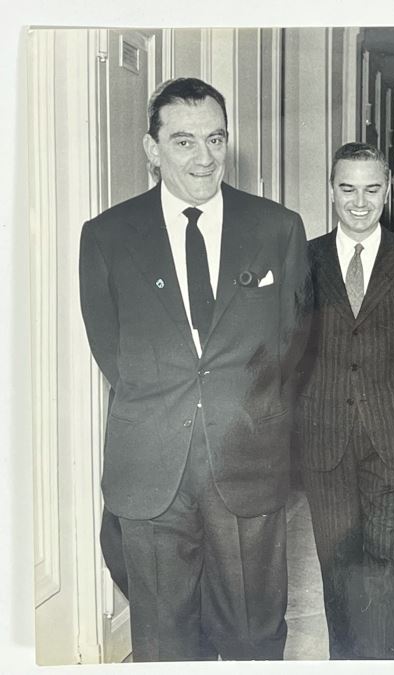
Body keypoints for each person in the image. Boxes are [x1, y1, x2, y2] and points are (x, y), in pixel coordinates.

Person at [79, 77, 311, 661]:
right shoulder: (107, 236)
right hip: (151, 466)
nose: (204, 157)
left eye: (215, 138)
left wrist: (244, 409)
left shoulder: (277, 229)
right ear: (151, 149)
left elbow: (294, 344)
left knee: (254, 635)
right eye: (183, 142)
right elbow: (113, 351)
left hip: (247, 456)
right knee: (163, 642)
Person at [294, 142, 394, 659]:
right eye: (347, 189)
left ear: (389, 189)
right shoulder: (303, 258)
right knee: (337, 566)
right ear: (331, 189)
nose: (359, 202)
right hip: (323, 437)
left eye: (372, 189)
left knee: (386, 567)